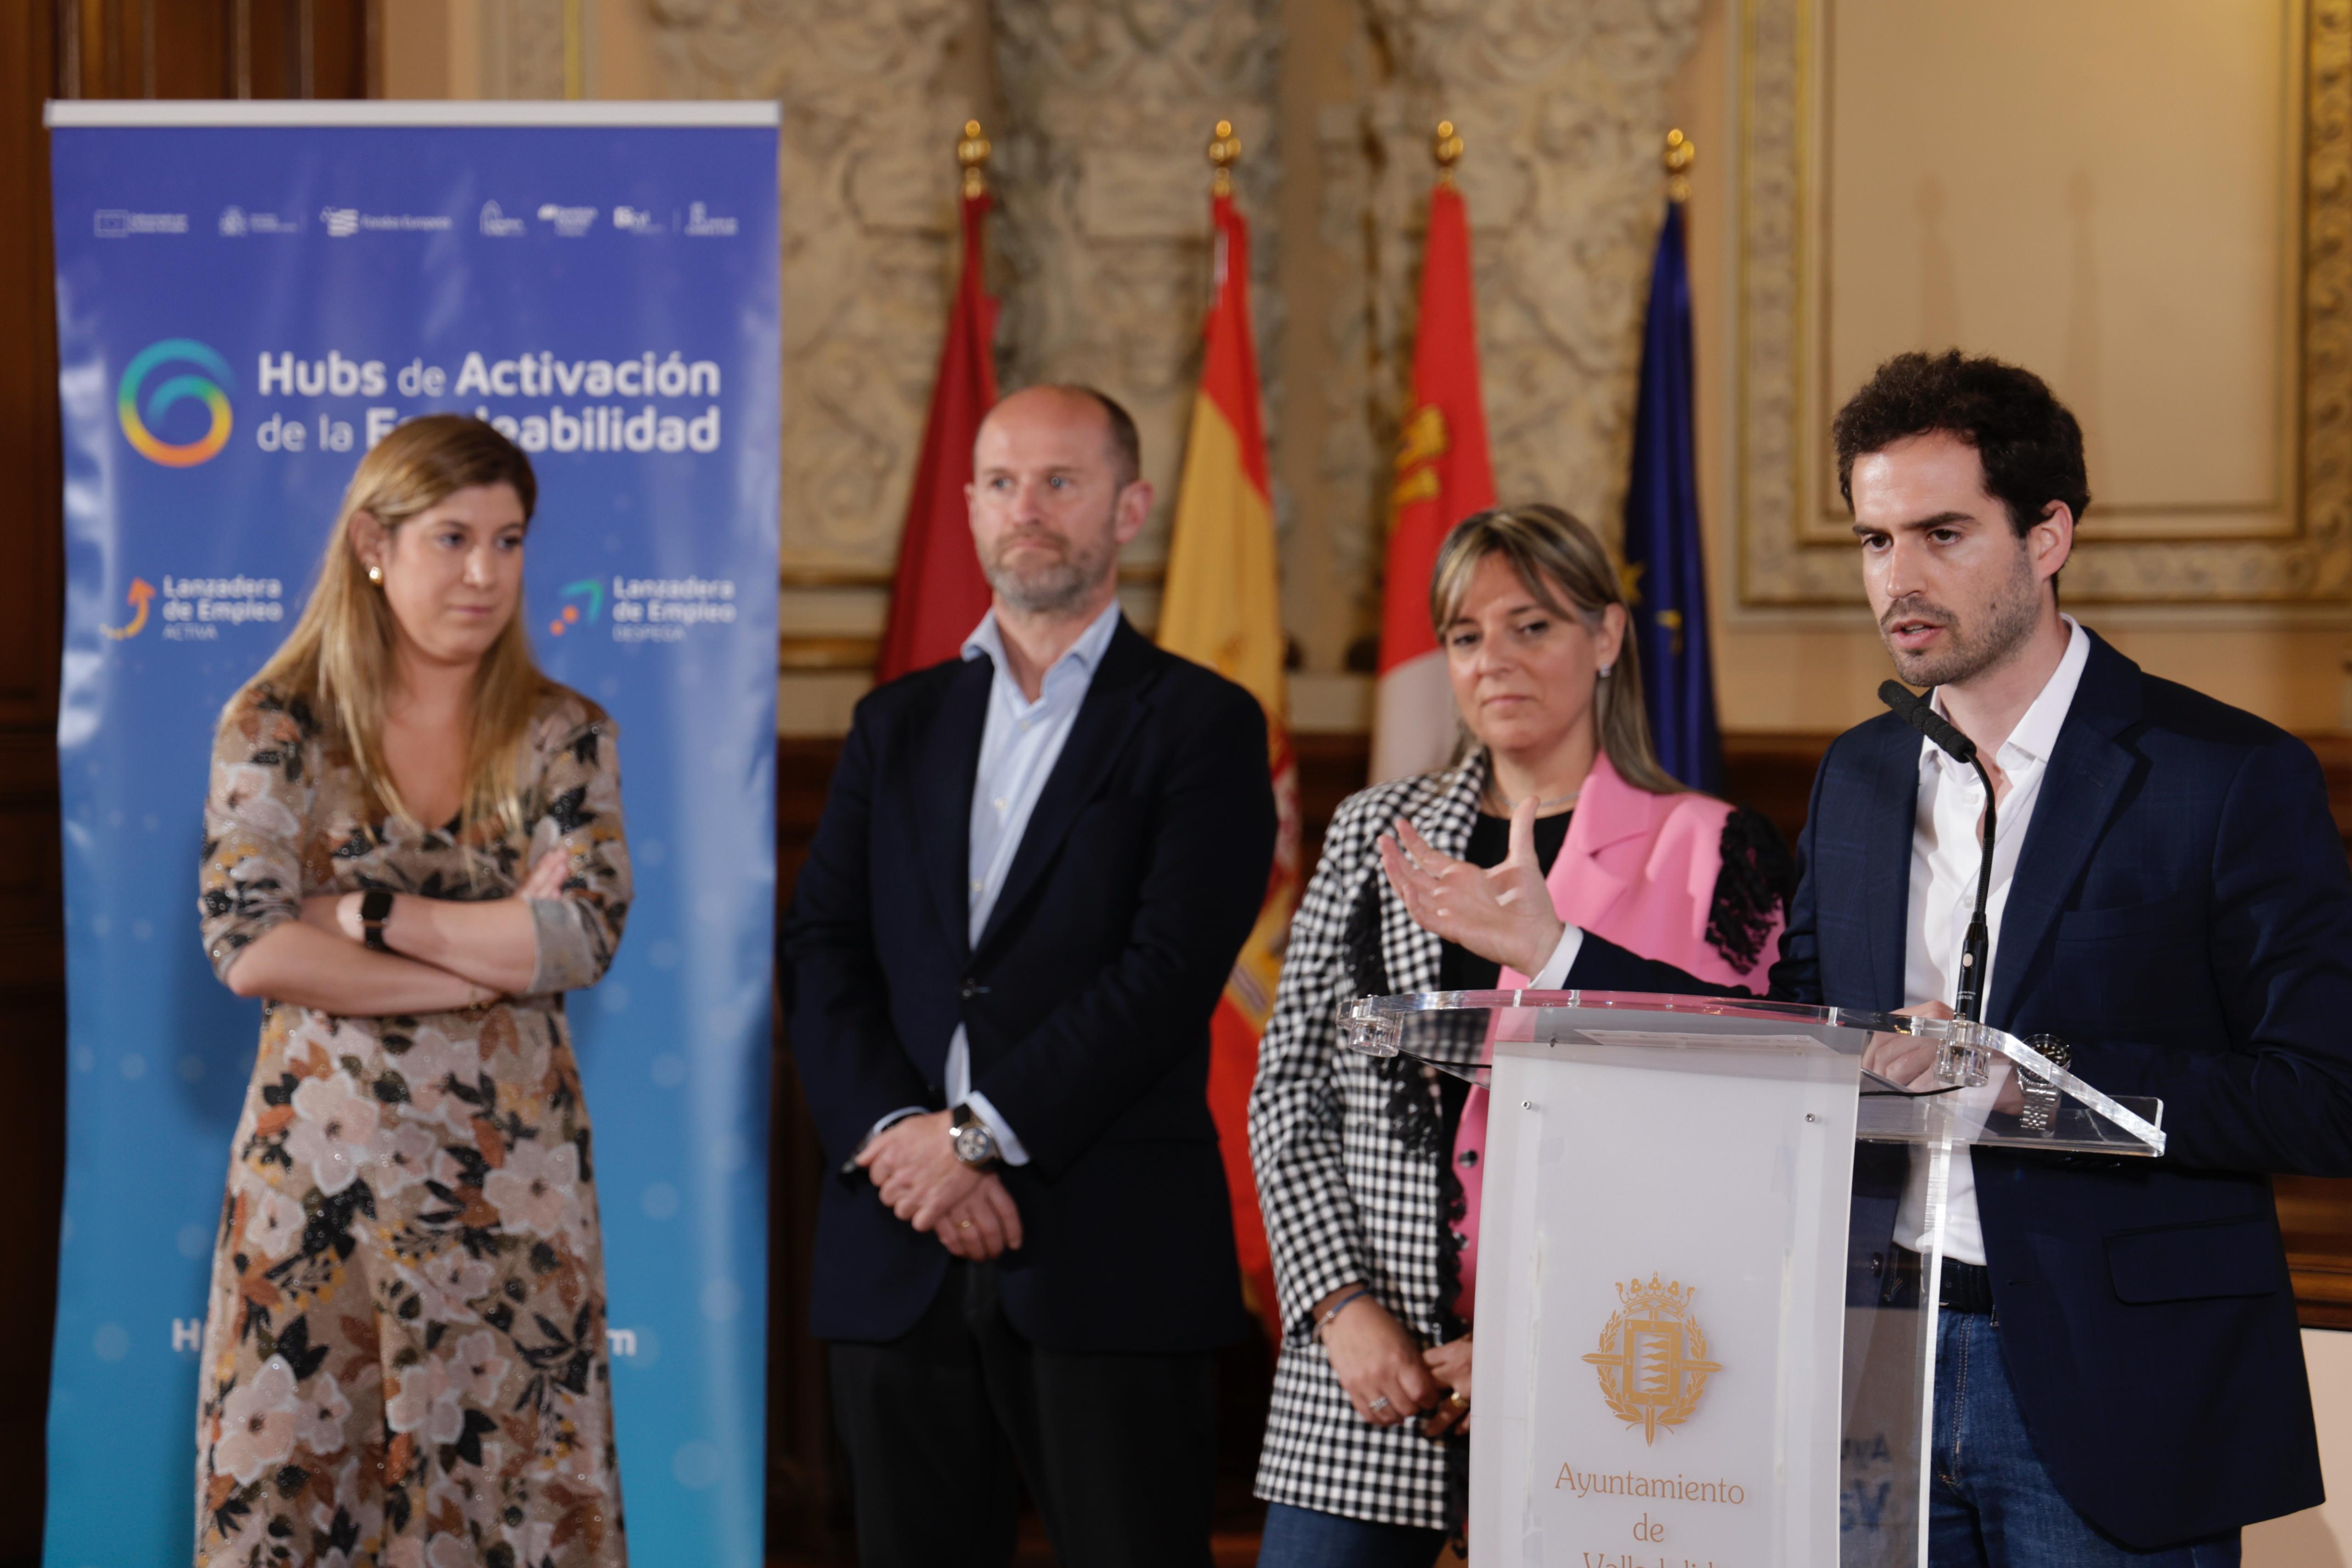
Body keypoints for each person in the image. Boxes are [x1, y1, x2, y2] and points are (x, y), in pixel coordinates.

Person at [1386, 351, 2352, 1567]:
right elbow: (1792, 1043)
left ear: (2048, 536)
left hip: (2115, 1381)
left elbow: (2323, 1095)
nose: (1900, 578)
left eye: (1942, 534)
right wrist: (1554, 948)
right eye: (1875, 539)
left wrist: (2025, 1079)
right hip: (1865, 1360)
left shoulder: (2223, 776)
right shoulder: (1861, 773)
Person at [782, 384, 1277, 1568]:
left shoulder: (1202, 723)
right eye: (1002, 484)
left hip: (1105, 1248)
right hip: (897, 1240)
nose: (1028, 510)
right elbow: (822, 949)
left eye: (1061, 482)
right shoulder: (894, 723)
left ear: (1130, 508)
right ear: (968, 507)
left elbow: (1166, 975)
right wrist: (906, 1142)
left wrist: (975, 1138)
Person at [1249, 504, 1794, 1566]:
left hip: (1608, 1374)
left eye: (1530, 626)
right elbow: (1288, 1095)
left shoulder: (1712, 850)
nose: (1492, 659)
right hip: (1369, 1377)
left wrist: (1535, 1337)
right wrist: (1338, 1305)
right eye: (1465, 635)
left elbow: (1738, 1147)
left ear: (1606, 636)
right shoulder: (1373, 835)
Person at [195, 414, 632, 1565]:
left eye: (508, 540)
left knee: (510, 1513)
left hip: (513, 1200)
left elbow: (580, 938)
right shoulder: (277, 724)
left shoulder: (566, 735)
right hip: (321, 1200)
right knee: (301, 1511)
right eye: (453, 538)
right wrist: (485, 962)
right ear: (373, 546)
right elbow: (251, 948)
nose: (485, 572)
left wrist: (369, 917)